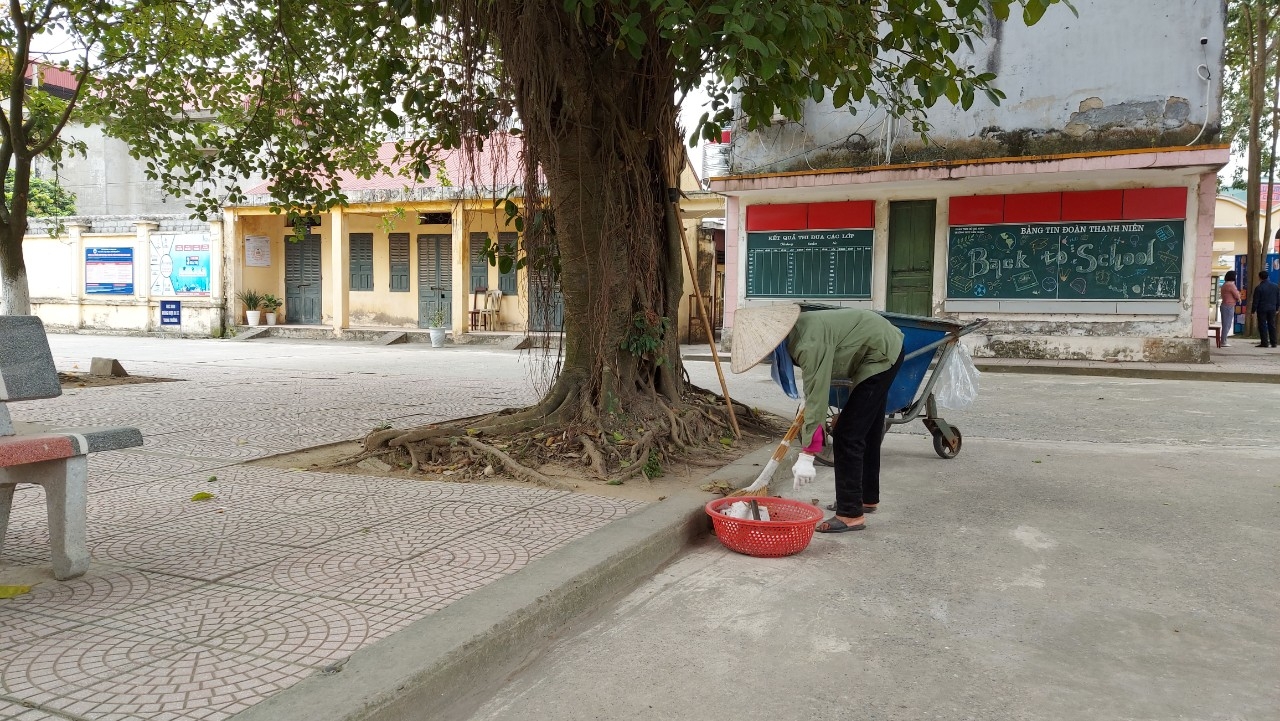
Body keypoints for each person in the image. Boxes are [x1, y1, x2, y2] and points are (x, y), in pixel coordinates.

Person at [731, 305, 904, 533]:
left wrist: (807, 453)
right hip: (875, 346)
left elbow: (818, 395)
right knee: (867, 429)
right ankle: (866, 498)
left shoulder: (806, 343)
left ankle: (851, 514)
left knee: (847, 434)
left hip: (881, 353)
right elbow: (817, 384)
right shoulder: (796, 334)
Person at [1253, 270, 1279, 348]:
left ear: (1259, 277)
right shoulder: (1275, 286)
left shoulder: (1259, 288)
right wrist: (1277, 308)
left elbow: (1256, 300)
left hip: (1262, 309)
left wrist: (1253, 311)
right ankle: (1274, 342)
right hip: (1272, 308)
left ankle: (1264, 342)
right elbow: (1278, 298)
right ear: (1268, 277)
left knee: (1262, 325)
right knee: (1272, 324)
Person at [1219, 271, 1240, 347]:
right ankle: (1223, 341)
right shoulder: (1231, 285)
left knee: (1225, 324)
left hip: (1224, 305)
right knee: (1227, 324)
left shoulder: (1225, 284)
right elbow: (1237, 295)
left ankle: (1223, 340)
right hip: (1229, 306)